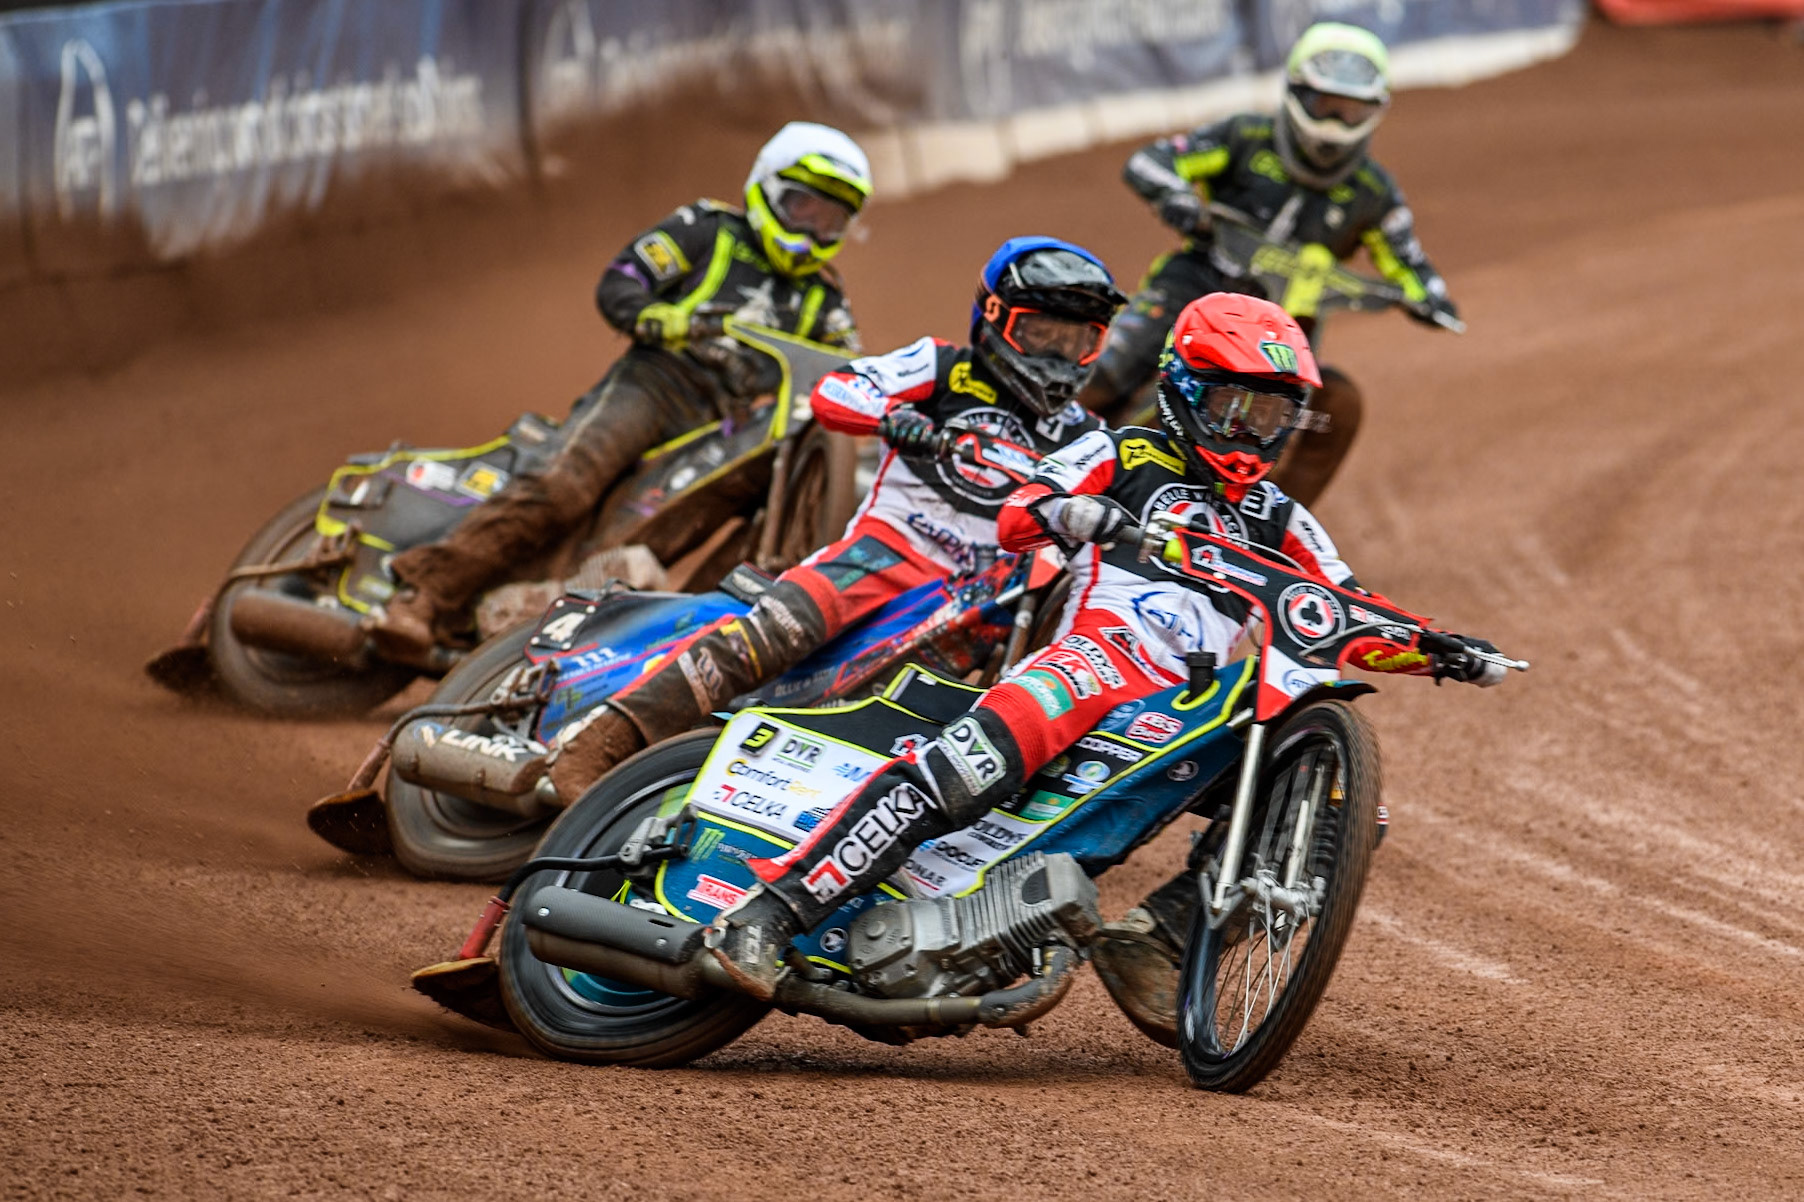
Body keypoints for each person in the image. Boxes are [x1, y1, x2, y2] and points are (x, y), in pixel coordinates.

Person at [701, 293, 1505, 1031]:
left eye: (1272, 415)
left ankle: (1158, 942)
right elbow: (1019, 515)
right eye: (1234, 405)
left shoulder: (1281, 516)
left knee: (1338, 811)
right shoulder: (1117, 451)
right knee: (960, 769)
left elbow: (1343, 610)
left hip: (1193, 710)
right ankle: (769, 913)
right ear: (1188, 390)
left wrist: (1436, 648)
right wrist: (1069, 509)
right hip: (1093, 664)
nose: (1251, 431)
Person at [539, 236, 1129, 801]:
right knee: (779, 630)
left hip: (985, 598)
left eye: (1077, 340)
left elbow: (1120, 517)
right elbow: (837, 390)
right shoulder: (942, 367)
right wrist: (891, 418)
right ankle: (602, 741)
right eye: (1041, 332)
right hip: (887, 551)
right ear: (997, 317)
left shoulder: (1089, 436)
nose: (1058, 355)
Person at [370, 122, 873, 663]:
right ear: (768, 189)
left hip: (728, 429)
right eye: (804, 209)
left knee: (642, 545)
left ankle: (657, 650)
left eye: (831, 220)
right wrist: (660, 319)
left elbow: (848, 369)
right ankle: (421, 596)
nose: (814, 231)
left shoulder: (827, 298)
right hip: (658, 384)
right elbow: (621, 280)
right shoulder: (708, 229)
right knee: (566, 483)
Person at [1076, 21, 1459, 506]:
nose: (1337, 124)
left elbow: (1408, 258)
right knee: (1109, 373)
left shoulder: (1373, 190)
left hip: (1282, 336)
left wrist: (1430, 296)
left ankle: (1266, 534)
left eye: (1352, 111)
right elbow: (1150, 161)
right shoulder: (1245, 136)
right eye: (1327, 106)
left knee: (1332, 410)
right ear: (1297, 92)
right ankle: (1040, 462)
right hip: (1195, 289)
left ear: (1377, 111)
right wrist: (1176, 199)